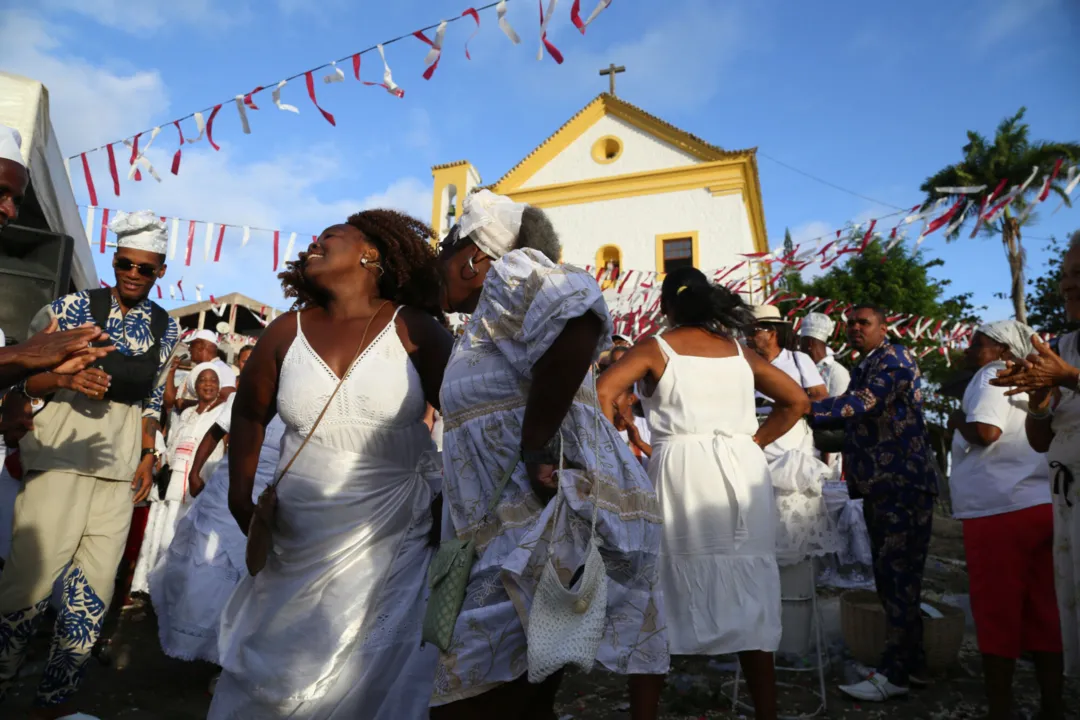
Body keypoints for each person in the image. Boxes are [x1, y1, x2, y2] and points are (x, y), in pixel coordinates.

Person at [430, 190, 668, 719]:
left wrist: (537, 442)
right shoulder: (485, 319)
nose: (436, 267)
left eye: (443, 251)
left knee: (470, 698)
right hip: (501, 528)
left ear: (473, 255)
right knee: (522, 691)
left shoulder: (510, 270)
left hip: (533, 527)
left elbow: (577, 314)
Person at [209, 209, 452, 719]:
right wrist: (240, 495)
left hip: (394, 530)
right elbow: (250, 413)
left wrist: (451, 499)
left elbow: (469, 417)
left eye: (329, 238)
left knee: (377, 666)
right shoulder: (285, 331)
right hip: (298, 532)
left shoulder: (416, 329)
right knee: (282, 656)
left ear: (371, 254)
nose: (312, 246)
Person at [597, 267, 810, 720]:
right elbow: (798, 402)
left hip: (681, 471)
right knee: (749, 592)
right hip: (740, 473)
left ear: (666, 307)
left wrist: (616, 434)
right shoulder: (738, 352)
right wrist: (753, 443)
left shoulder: (656, 347)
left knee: (658, 592)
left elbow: (603, 389)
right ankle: (766, 712)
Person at [0, 210, 178, 714]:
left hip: (119, 476)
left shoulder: (166, 329)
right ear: (114, 259)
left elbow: (152, 402)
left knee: (92, 597)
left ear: (160, 270)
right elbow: (17, 381)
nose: (133, 275)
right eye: (125, 263)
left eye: (145, 268)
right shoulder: (70, 308)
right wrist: (63, 379)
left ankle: (53, 704)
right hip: (60, 463)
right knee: (25, 588)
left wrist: (148, 455)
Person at [808, 305, 939, 702]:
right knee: (891, 578)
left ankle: (894, 673)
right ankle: (912, 665)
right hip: (881, 485)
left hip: (902, 484)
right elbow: (854, 422)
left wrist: (804, 407)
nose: (854, 328)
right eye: (850, 323)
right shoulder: (867, 363)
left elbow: (861, 403)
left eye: (863, 323)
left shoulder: (894, 359)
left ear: (884, 327)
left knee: (898, 578)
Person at [949, 321, 1062, 720]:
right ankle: (1053, 707)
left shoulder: (991, 373)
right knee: (1045, 612)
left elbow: (986, 430)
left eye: (977, 344)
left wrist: (956, 424)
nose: (968, 350)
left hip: (997, 510)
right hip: (1040, 504)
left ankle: (1000, 710)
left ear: (1000, 350)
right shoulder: (1038, 378)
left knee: (997, 614)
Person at [148, 345, 279, 675]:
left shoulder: (303, 404)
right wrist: (194, 471)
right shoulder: (244, 395)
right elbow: (217, 431)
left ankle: (231, 655)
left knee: (253, 572)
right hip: (228, 484)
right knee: (206, 567)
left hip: (274, 491)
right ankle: (201, 646)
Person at [992, 230, 1080, 682]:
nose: (1068, 285)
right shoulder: (1062, 347)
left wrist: (1071, 377)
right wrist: (1042, 400)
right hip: (1066, 500)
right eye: (1066, 276)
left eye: (1079, 275)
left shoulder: (1066, 360)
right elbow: (1041, 440)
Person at [131, 363, 227, 596]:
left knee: (184, 532)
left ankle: (175, 587)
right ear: (195, 385)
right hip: (172, 479)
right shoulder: (185, 414)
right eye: (203, 380)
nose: (208, 384)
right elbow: (171, 444)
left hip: (200, 482)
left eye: (213, 380)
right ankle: (149, 585)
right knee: (161, 528)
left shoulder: (223, 414)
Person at [163, 329, 237, 417]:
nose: (189, 349)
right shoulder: (197, 371)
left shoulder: (222, 369)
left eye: (191, 345)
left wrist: (189, 405)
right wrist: (171, 371)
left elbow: (227, 400)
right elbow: (170, 401)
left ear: (200, 346)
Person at [798, 313, 850, 398]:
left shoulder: (837, 372)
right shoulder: (804, 366)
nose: (799, 347)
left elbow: (837, 406)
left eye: (801, 342)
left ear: (809, 343)